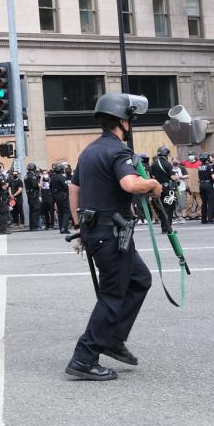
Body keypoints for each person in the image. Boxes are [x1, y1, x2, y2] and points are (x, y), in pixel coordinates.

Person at [64, 93, 158, 382]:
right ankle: (84, 357)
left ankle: (113, 338)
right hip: (112, 234)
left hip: (99, 231)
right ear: (121, 121)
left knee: (140, 280)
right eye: (129, 118)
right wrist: (152, 184)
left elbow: (73, 189)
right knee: (112, 296)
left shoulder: (89, 151)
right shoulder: (119, 151)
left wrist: (81, 225)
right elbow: (130, 183)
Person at [197, 155, 214, 225]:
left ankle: (203, 219)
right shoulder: (209, 166)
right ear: (207, 159)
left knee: (204, 202)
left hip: (201, 185)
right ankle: (210, 219)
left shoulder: (199, 167)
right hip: (208, 185)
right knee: (211, 202)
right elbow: (213, 177)